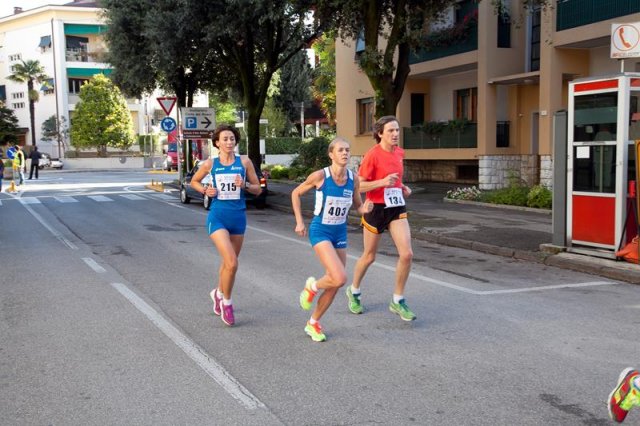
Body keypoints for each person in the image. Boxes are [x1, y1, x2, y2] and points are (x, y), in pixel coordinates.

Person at [292, 137, 372, 342]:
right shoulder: (320, 176)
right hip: (320, 231)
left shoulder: (354, 179)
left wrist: (366, 209)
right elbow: (295, 193)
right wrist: (300, 222)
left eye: (347, 150)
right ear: (331, 154)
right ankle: (312, 287)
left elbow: (358, 206)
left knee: (335, 283)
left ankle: (313, 323)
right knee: (340, 277)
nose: (345, 153)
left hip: (340, 232)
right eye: (340, 150)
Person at [190, 124, 262, 326]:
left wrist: (245, 185)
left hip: (238, 218)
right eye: (225, 139)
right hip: (218, 217)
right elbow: (193, 182)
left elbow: (258, 189)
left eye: (232, 139)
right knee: (232, 262)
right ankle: (227, 303)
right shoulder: (210, 163)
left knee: (227, 263)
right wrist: (205, 190)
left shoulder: (244, 161)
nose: (229, 142)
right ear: (217, 143)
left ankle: (218, 292)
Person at [346, 115, 417, 321]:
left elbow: (396, 179)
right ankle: (354, 291)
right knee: (369, 256)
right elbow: (358, 185)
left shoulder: (400, 153)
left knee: (407, 254)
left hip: (396, 207)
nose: (395, 134)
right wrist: (382, 182)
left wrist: (403, 187)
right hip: (375, 209)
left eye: (397, 130)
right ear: (380, 134)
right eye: (391, 131)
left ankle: (397, 299)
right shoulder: (372, 155)